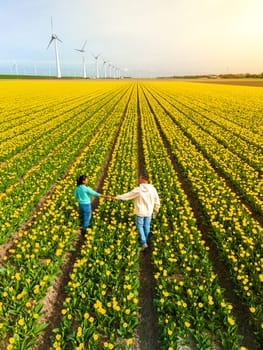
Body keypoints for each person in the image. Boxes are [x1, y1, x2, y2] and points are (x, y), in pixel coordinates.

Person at [114, 173, 160, 250]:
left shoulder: (138, 190)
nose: (138, 180)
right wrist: (156, 209)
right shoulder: (153, 189)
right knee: (147, 226)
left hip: (140, 212)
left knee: (140, 227)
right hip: (149, 211)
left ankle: (143, 242)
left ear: (142, 179)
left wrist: (117, 197)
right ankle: (145, 239)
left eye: (139, 178)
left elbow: (128, 195)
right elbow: (157, 200)